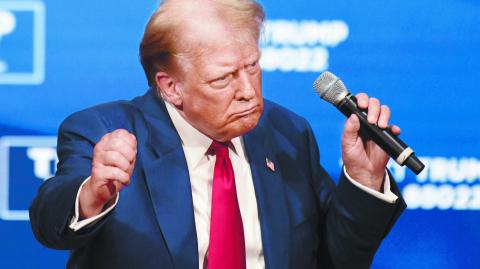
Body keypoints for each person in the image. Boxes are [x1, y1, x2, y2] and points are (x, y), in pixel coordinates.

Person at [30, 0, 406, 268]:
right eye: (223, 78)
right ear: (171, 87)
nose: (247, 90)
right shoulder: (104, 130)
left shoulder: (287, 133)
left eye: (253, 66)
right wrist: (92, 195)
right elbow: (48, 222)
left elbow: (338, 259)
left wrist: (363, 179)